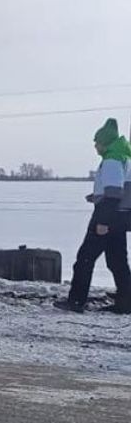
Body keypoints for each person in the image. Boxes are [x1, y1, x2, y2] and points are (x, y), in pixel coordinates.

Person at [54, 118, 131, 314]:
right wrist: (97, 197)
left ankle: (76, 301)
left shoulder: (112, 159)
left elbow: (114, 193)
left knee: (85, 259)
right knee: (117, 261)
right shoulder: (124, 156)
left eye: (97, 142)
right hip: (120, 216)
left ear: (105, 142)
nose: (95, 146)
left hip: (107, 216)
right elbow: (119, 190)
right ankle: (126, 302)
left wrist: (103, 221)